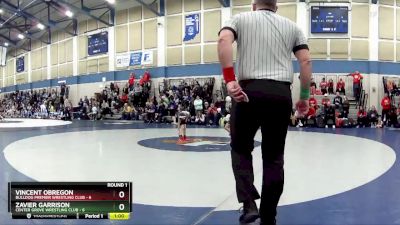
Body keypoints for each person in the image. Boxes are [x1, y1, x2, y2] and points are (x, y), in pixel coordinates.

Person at [217, 0, 311, 223]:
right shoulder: (293, 27)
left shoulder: (239, 19)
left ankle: (249, 205)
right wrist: (304, 97)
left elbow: (223, 40)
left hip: (248, 91)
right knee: (274, 158)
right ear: (276, 7)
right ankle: (269, 215)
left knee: (240, 148)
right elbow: (305, 61)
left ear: (253, 5)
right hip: (280, 94)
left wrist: (230, 80)